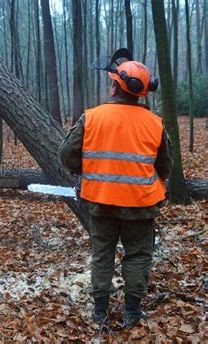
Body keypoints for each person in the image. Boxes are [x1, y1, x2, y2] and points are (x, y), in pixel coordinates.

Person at [58, 49, 173, 328]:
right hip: (141, 204)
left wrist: (85, 170)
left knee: (102, 254)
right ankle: (132, 311)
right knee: (138, 254)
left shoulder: (92, 118)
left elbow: (66, 155)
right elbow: (165, 166)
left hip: (100, 201)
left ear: (114, 87)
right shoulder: (155, 124)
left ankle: (100, 311)